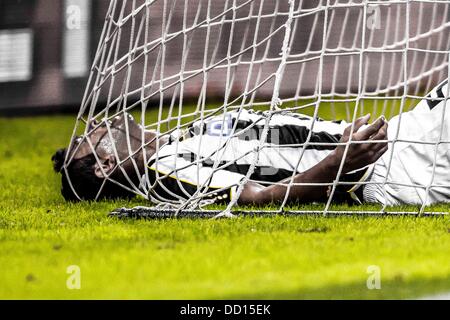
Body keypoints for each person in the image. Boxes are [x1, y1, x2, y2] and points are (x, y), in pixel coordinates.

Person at [52, 80, 449, 206]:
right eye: (92, 138)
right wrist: (341, 162)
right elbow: (259, 197)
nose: (101, 124)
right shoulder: (167, 168)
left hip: (397, 134)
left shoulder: (180, 134)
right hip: (391, 168)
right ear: (104, 165)